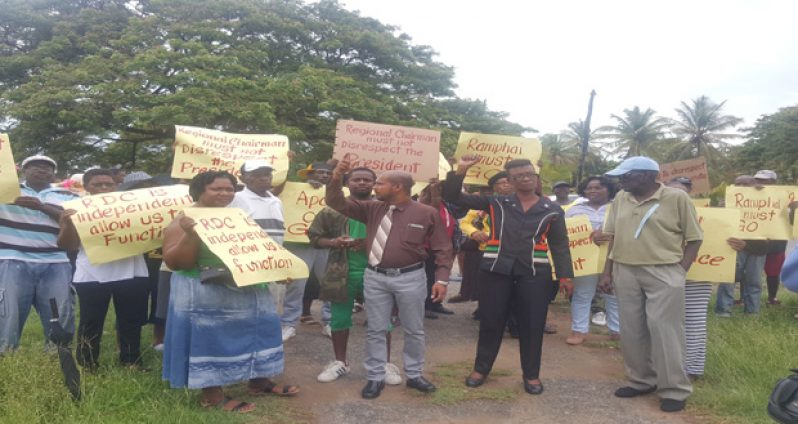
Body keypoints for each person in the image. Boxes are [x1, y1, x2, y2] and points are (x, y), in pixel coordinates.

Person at [162, 171, 298, 414]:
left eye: (229, 189)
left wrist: (274, 270)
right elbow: (176, 263)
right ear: (199, 191)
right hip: (202, 289)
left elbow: (254, 250)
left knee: (261, 327)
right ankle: (212, 394)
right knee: (209, 338)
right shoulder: (184, 219)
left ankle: (259, 381)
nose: (224, 194)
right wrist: (191, 234)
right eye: (217, 189)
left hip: (246, 286)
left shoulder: (237, 217)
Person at [443, 156, 574, 396]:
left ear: (536, 177)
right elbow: (453, 197)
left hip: (535, 273)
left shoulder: (552, 209)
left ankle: (531, 375)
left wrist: (566, 276)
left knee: (532, 324)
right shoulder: (496, 203)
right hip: (496, 271)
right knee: (491, 322)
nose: (525, 178)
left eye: (529, 174)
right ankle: (481, 369)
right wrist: (460, 170)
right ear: (510, 181)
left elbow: (560, 245)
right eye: (518, 176)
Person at [326, 156, 453, 400]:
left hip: (411, 278)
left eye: (380, 183)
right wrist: (335, 177)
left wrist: (442, 279)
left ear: (398, 187)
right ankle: (375, 377)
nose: (375, 186)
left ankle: (414, 375)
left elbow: (442, 248)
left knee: (414, 329)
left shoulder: (426, 213)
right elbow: (335, 202)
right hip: (375, 277)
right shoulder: (372, 208)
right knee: (376, 328)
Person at [598, 156, 702, 413]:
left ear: (646, 175)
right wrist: (607, 271)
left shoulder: (677, 198)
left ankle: (674, 390)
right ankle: (642, 380)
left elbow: (694, 239)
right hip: (625, 269)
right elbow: (614, 237)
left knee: (664, 330)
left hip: (663, 271)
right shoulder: (622, 198)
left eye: (626, 175)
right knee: (632, 329)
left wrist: (680, 272)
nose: (620, 180)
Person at [309, 167, 401, 385]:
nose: (362, 183)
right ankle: (340, 362)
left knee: (382, 320)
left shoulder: (387, 209)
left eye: (368, 180)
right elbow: (314, 237)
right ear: (347, 183)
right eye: (356, 179)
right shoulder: (332, 211)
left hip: (377, 272)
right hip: (342, 272)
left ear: (375, 184)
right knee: (340, 318)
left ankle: (384, 364)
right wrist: (334, 242)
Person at [57, 169, 149, 370]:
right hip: (92, 274)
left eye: (109, 184)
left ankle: (131, 360)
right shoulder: (75, 209)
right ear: (87, 187)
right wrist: (67, 224)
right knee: (91, 321)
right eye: (98, 185)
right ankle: (87, 363)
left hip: (133, 271)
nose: (104, 188)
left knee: (130, 319)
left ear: (117, 185)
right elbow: (68, 246)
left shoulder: (133, 207)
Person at [0, 155, 79, 352]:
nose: (41, 169)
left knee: (59, 311)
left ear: (54, 173)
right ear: (23, 171)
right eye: (34, 166)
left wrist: (41, 207)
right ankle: (5, 354)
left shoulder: (69, 196)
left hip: (56, 261)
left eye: (47, 167)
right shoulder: (6, 190)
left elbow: (76, 222)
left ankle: (58, 354)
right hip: (12, 258)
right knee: (9, 312)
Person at [564, 175, 620, 345]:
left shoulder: (618, 208)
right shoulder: (574, 210)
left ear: (609, 189)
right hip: (585, 260)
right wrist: (590, 236)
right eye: (589, 188)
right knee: (582, 294)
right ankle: (579, 330)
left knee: (613, 294)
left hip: (613, 258)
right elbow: (566, 234)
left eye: (598, 187)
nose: (593, 191)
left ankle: (617, 331)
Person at [665, 177, 712, 378]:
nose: (677, 195)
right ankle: (664, 367)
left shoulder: (712, 218)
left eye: (682, 191)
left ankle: (691, 370)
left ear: (690, 194)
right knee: (663, 323)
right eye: (672, 191)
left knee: (694, 323)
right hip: (661, 277)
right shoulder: (653, 215)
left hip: (698, 278)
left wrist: (736, 246)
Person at [282, 161, 333, 340]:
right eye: (320, 173)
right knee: (296, 285)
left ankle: (330, 322)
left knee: (329, 285)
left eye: (328, 173)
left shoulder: (339, 194)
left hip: (327, 245)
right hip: (299, 244)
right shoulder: (294, 191)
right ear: (309, 175)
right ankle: (289, 324)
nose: (324, 176)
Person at [451, 172, 513, 308]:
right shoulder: (486, 204)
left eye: (508, 181)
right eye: (502, 183)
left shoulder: (523, 203)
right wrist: (474, 232)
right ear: (495, 188)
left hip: (511, 252)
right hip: (485, 250)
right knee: (483, 283)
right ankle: (483, 308)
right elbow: (465, 222)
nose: (506, 185)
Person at [716, 175, 768, 316]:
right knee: (728, 279)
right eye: (738, 184)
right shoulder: (727, 201)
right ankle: (723, 311)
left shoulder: (765, 201)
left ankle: (752, 312)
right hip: (733, 246)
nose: (742, 187)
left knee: (754, 280)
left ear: (754, 185)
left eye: (746, 184)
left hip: (758, 248)